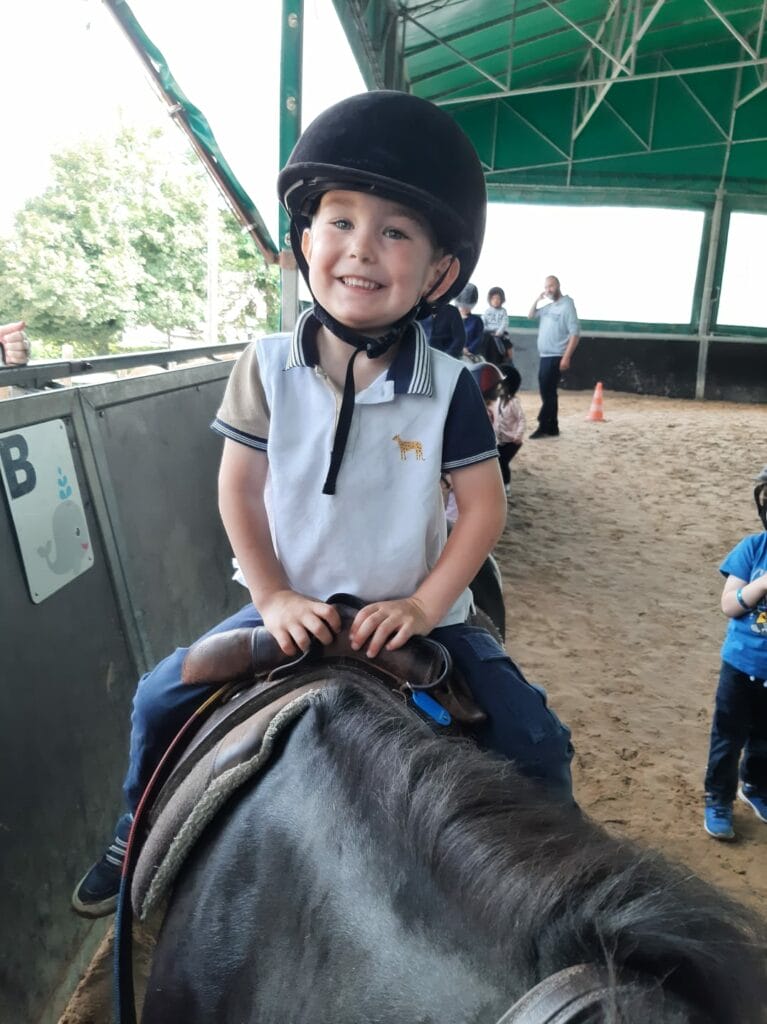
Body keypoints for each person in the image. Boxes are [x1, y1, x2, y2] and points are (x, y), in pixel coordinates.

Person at [71, 90, 574, 918]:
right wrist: (271, 596)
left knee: (535, 739)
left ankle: (551, 887)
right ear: (306, 241)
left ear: (439, 273)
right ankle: (133, 832)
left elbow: (482, 509)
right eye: (339, 222)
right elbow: (239, 486)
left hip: (413, 618)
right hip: (291, 604)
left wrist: (422, 604)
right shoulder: (265, 365)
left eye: (395, 232)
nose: (361, 248)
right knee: (159, 696)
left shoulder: (449, 385)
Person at [703, 466, 767, 840]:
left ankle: (755, 786)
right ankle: (718, 798)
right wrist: (762, 584)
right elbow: (729, 605)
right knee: (728, 737)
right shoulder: (753, 548)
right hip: (741, 666)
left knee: (765, 738)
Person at [527, 276, 579, 438]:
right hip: (545, 355)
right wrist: (537, 299)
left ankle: (543, 425)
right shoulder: (549, 307)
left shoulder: (567, 305)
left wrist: (566, 357)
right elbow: (530, 315)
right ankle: (553, 427)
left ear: (558, 285)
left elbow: (575, 334)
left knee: (547, 391)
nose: (548, 289)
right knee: (548, 392)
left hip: (556, 355)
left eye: (551, 286)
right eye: (546, 287)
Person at [493, 363, 525, 497]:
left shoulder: (513, 403)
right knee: (497, 462)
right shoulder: (497, 400)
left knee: (502, 462)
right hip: (500, 440)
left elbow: (521, 419)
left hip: (512, 441)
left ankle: (506, 487)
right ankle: (500, 485)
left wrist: (518, 435)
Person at [482, 286, 512, 364]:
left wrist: (499, 332)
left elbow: (504, 322)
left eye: (498, 298)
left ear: (502, 300)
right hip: (488, 333)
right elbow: (483, 322)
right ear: (490, 300)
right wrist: (484, 329)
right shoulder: (487, 311)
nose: (496, 300)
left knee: (507, 343)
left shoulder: (503, 311)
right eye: (493, 298)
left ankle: (509, 359)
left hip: (499, 333)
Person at [455, 283, 485, 358]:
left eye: (467, 307)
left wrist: (468, 349)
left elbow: (479, 339)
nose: (464, 308)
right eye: (462, 306)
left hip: (470, 354)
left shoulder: (477, 321)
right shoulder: (452, 319)